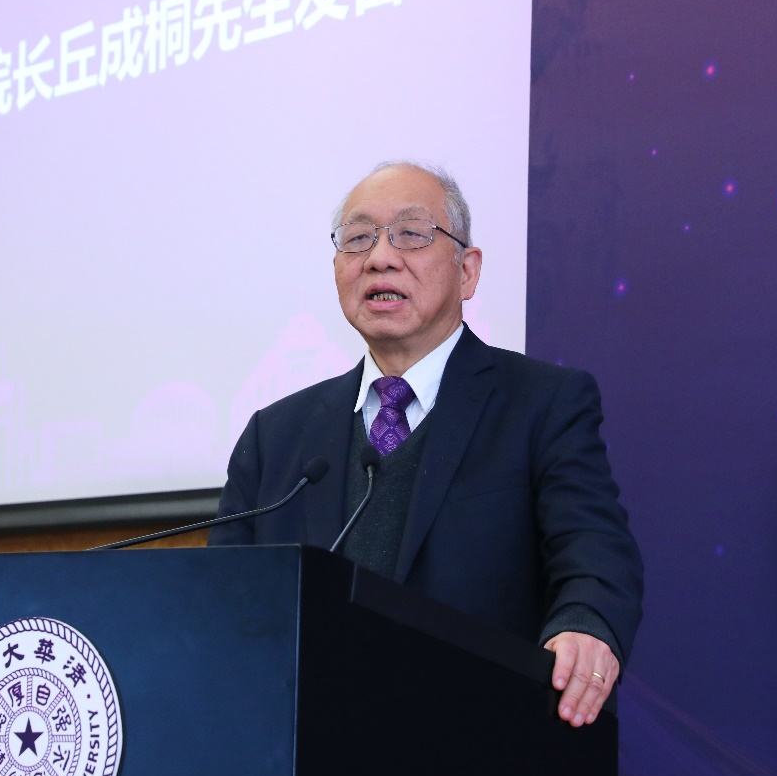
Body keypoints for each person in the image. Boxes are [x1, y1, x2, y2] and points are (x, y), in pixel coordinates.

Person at [209, 161, 643, 728]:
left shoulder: (542, 404)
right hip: (302, 745)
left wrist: (585, 624)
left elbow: (593, 548)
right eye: (358, 238)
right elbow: (220, 602)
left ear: (467, 270)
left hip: (482, 739)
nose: (379, 258)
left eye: (411, 234)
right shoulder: (276, 435)